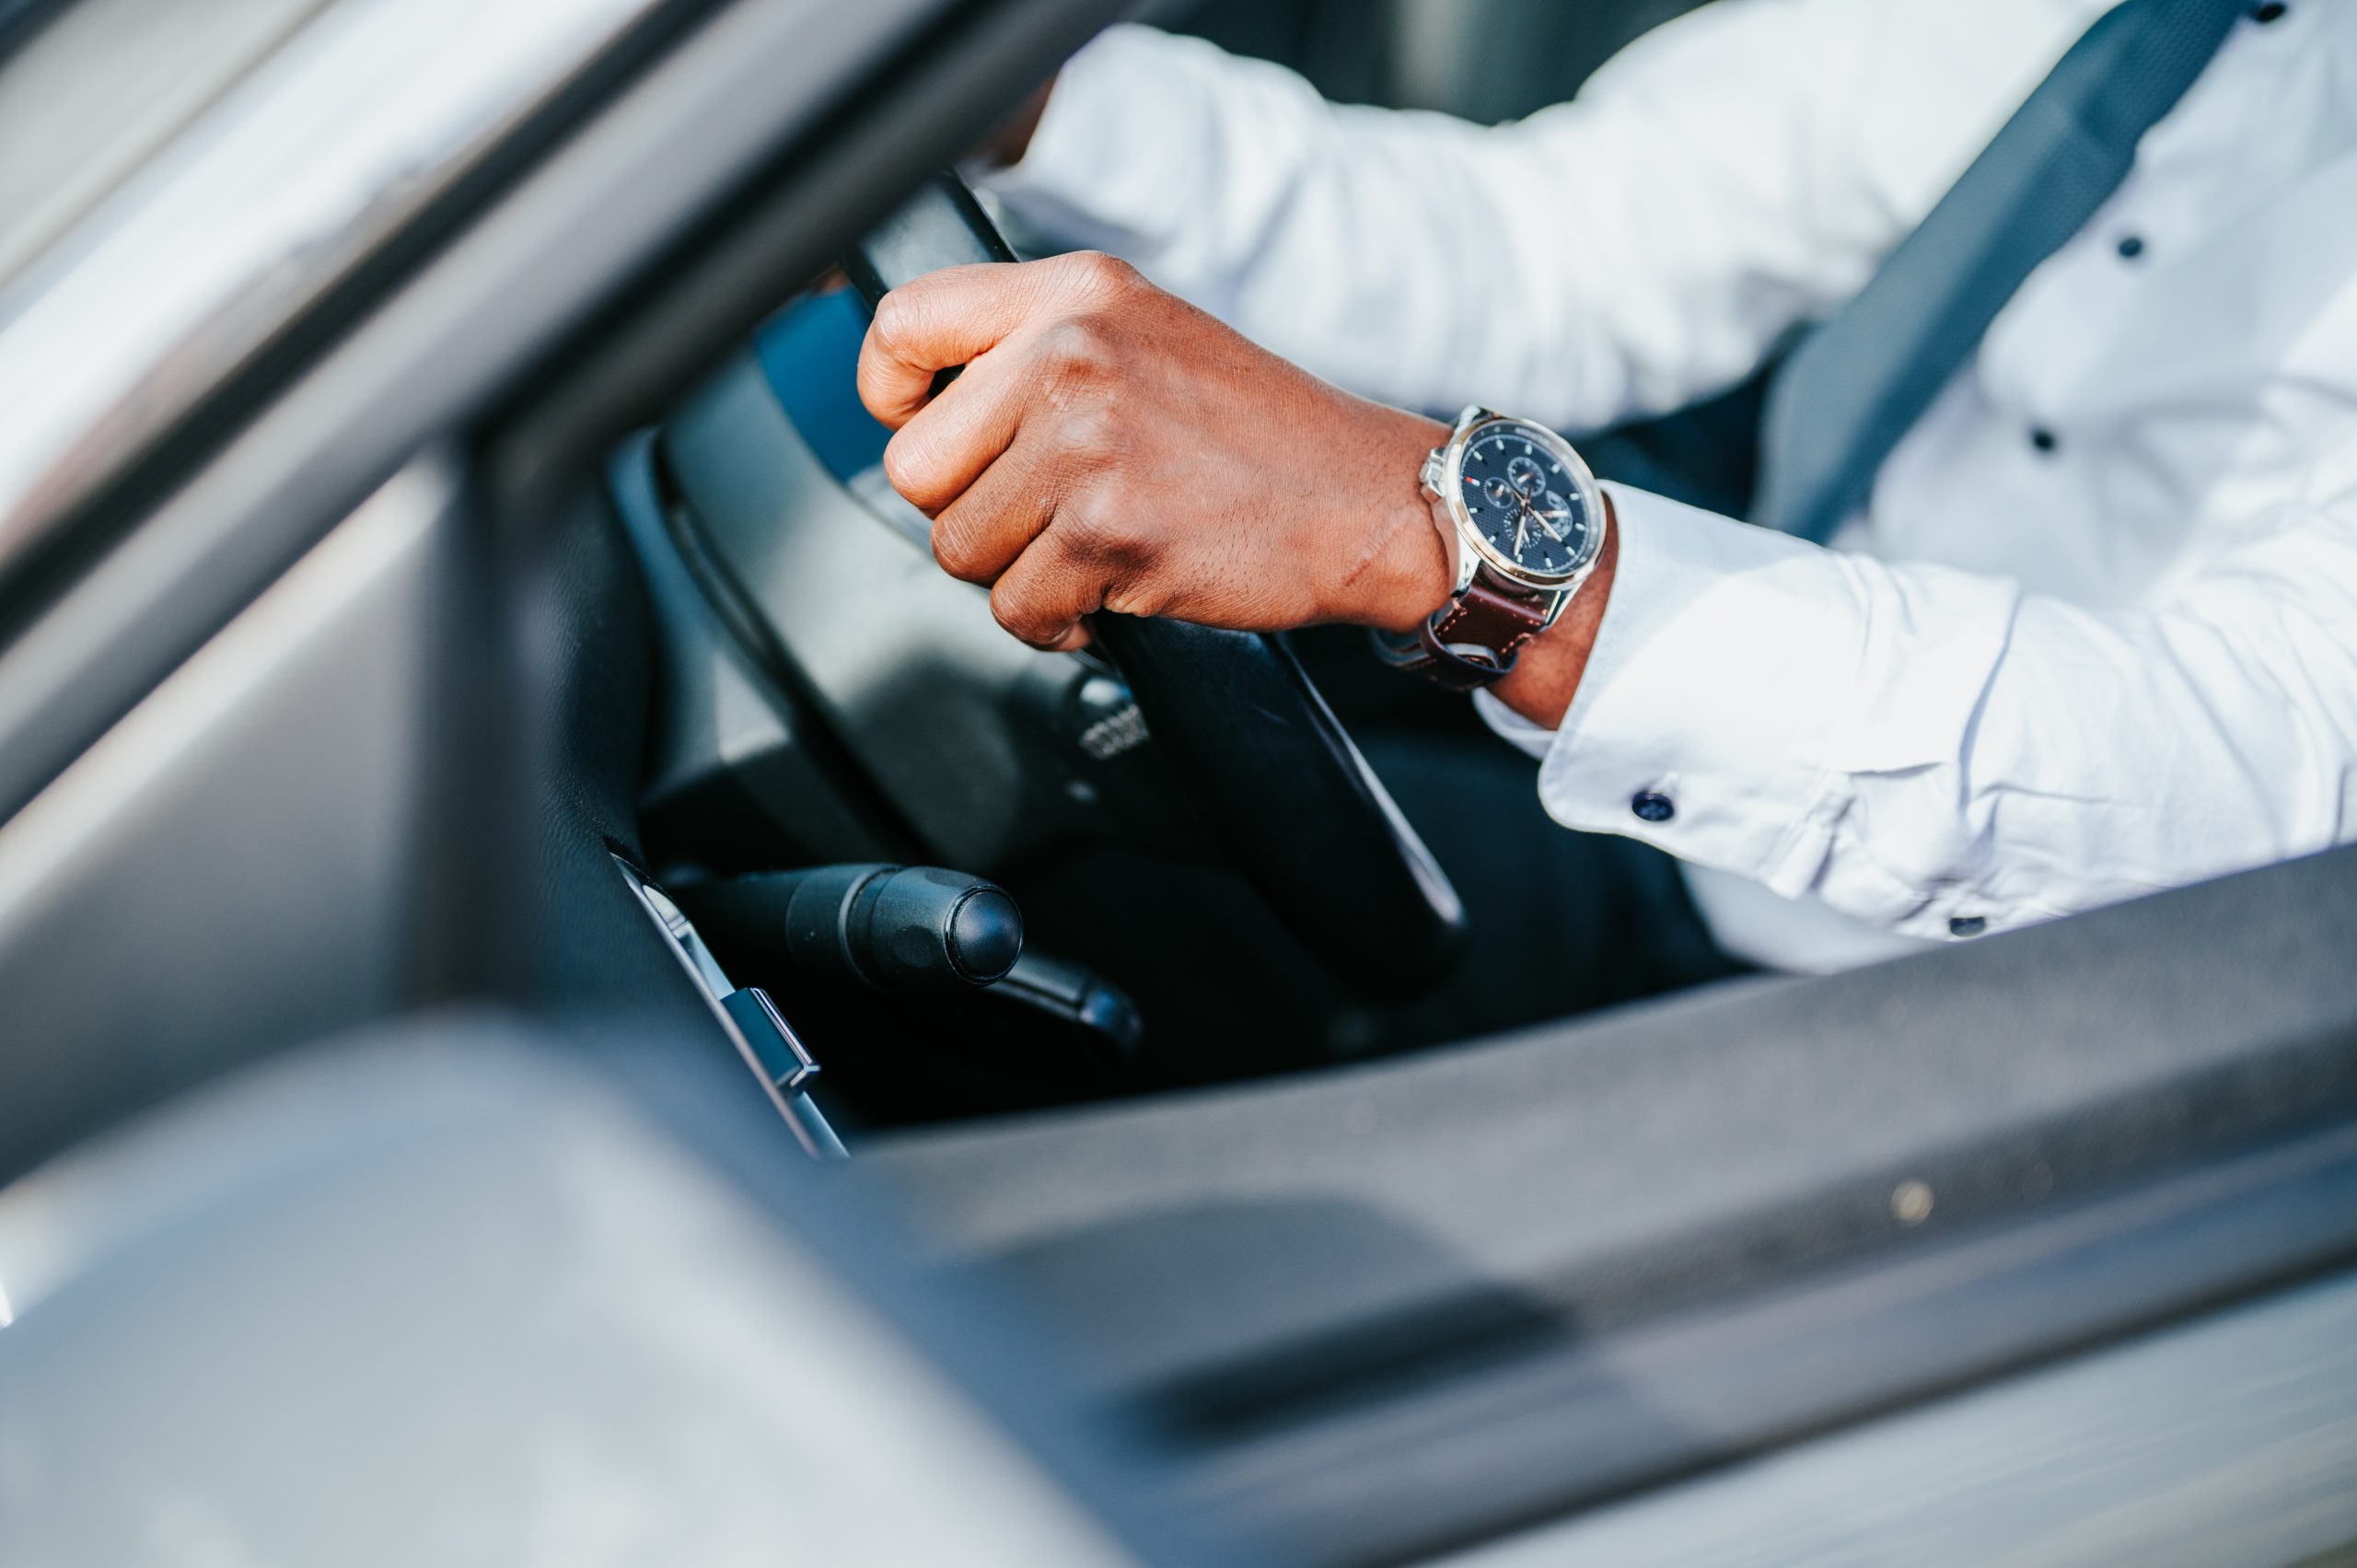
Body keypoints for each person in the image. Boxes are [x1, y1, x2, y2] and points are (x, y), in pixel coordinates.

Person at [852, 0, 2357, 1005]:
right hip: (1684, 829)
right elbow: (1554, 243)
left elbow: (2268, 784)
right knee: (1007, 864)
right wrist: (1018, 104)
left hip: (2046, 1061)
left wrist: (1422, 533)